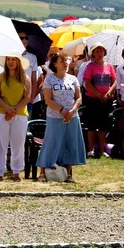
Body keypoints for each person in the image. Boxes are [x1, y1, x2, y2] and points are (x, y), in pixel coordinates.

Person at [36, 52, 86, 182]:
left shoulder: (73, 79)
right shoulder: (50, 79)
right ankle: (42, 171)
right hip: (55, 116)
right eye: (62, 60)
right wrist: (62, 110)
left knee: (69, 142)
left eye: (67, 60)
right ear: (55, 64)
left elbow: (78, 97)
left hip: (72, 116)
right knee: (51, 142)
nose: (65, 63)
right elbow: (47, 99)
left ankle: (68, 173)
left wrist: (73, 110)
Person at [0, 51, 31, 181]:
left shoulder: (25, 78)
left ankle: (16, 171)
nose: (10, 62)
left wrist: (14, 110)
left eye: (13, 59)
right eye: (8, 59)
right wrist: (7, 108)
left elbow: (27, 97)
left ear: (18, 61)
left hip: (19, 113)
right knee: (0, 143)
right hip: (1, 112)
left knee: (18, 143)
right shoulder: (0, 77)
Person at [83, 43, 117, 158]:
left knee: (103, 126)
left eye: (101, 51)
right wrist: (98, 95)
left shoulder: (109, 66)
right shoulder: (90, 66)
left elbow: (115, 81)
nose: (99, 53)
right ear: (93, 53)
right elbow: (87, 83)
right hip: (92, 99)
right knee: (92, 125)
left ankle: (102, 150)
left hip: (107, 100)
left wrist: (108, 93)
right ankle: (91, 149)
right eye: (97, 51)